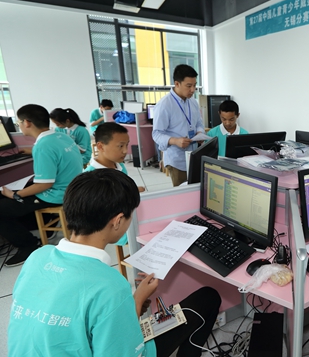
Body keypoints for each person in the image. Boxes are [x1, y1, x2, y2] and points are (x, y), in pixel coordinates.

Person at [8, 169, 222, 356]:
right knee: (208, 298)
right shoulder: (110, 285)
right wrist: (135, 303)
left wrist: (130, 304)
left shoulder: (38, 256)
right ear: (118, 221)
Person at [0, 104, 82, 266]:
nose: (19, 125)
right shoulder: (60, 136)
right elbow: (55, 153)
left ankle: (29, 246)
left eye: (19, 122)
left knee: (4, 205)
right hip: (71, 189)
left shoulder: (43, 146)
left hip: (55, 195)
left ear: (27, 122)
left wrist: (14, 195)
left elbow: (44, 185)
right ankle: (45, 220)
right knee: (15, 195)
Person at [152, 64, 205, 187]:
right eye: (189, 86)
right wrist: (175, 141)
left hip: (194, 155)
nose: (193, 90)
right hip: (177, 160)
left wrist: (200, 132)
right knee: (182, 193)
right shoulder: (164, 105)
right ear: (177, 84)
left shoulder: (193, 102)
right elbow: (157, 134)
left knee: (197, 191)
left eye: (195, 85)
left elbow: (199, 122)